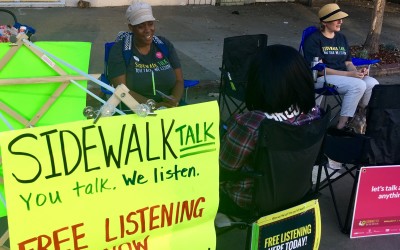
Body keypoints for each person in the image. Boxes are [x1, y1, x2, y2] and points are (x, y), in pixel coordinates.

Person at [219, 44, 322, 217]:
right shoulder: (314, 114)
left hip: (250, 201)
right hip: (297, 192)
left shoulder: (250, 124)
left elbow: (223, 169)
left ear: (258, 82)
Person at [303, 3, 379, 132]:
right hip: (323, 79)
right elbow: (320, 70)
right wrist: (350, 75)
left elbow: (348, 63)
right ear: (325, 22)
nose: (341, 21)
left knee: (372, 83)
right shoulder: (314, 39)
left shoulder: (341, 38)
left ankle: (358, 117)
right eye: (336, 19)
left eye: (341, 19)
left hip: (344, 77)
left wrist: (358, 72)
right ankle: (341, 126)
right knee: (358, 85)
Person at [107, 2, 184, 110]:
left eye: (150, 24)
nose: (148, 30)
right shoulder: (120, 50)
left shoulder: (164, 44)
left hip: (170, 109)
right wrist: (154, 106)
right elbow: (121, 90)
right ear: (131, 27)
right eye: (140, 26)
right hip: (135, 112)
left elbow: (179, 80)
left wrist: (174, 99)